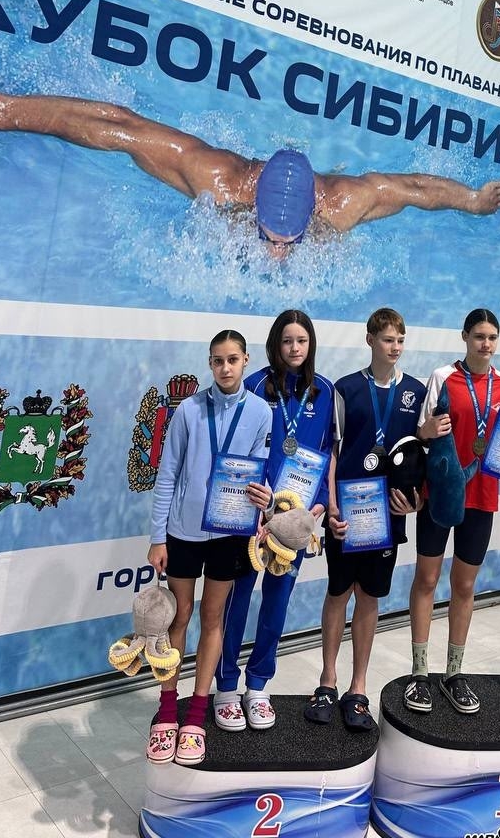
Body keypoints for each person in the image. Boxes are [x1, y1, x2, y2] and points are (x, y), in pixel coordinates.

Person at [0, 51, 500, 256]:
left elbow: (413, 189)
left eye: (288, 237)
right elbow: (118, 126)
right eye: (270, 235)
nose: (277, 252)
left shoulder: (343, 204)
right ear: (252, 201)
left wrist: (471, 202)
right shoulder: (218, 181)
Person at [146, 328, 272, 766]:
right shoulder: (189, 410)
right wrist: (157, 536)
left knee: (213, 618)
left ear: (246, 361)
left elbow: (258, 473)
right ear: (210, 363)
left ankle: (197, 714)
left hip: (230, 532)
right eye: (217, 360)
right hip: (184, 532)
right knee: (178, 617)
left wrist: (264, 500)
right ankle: (168, 708)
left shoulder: (260, 411)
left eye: (232, 359)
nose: (225, 368)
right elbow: (167, 473)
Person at [306, 307, 426, 731]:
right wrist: (331, 504)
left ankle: (358, 687)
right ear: (370, 340)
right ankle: (328, 681)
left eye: (400, 340)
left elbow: (420, 455)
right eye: (388, 339)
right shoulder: (345, 388)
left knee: (370, 597)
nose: (395, 347)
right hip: (346, 512)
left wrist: (415, 502)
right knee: (338, 592)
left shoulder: (415, 392)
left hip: (387, 516)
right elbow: (333, 451)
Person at [213, 309, 334, 730]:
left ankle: (258, 685)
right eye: (287, 340)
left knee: (277, 602)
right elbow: (237, 451)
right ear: (274, 344)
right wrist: (258, 501)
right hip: (253, 514)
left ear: (310, 344)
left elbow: (325, 454)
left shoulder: (324, 391)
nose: (295, 348)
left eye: (302, 340)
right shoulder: (252, 385)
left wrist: (320, 504)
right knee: (236, 601)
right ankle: (226, 686)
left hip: (295, 519)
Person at [406, 308, 500, 716]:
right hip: (440, 492)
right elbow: (421, 434)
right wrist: (425, 432)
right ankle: (419, 673)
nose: (486, 344)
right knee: (427, 578)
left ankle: (454, 674)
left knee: (464, 584)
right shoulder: (443, 377)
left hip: (481, 495)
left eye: (492, 337)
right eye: (479, 336)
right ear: (465, 337)